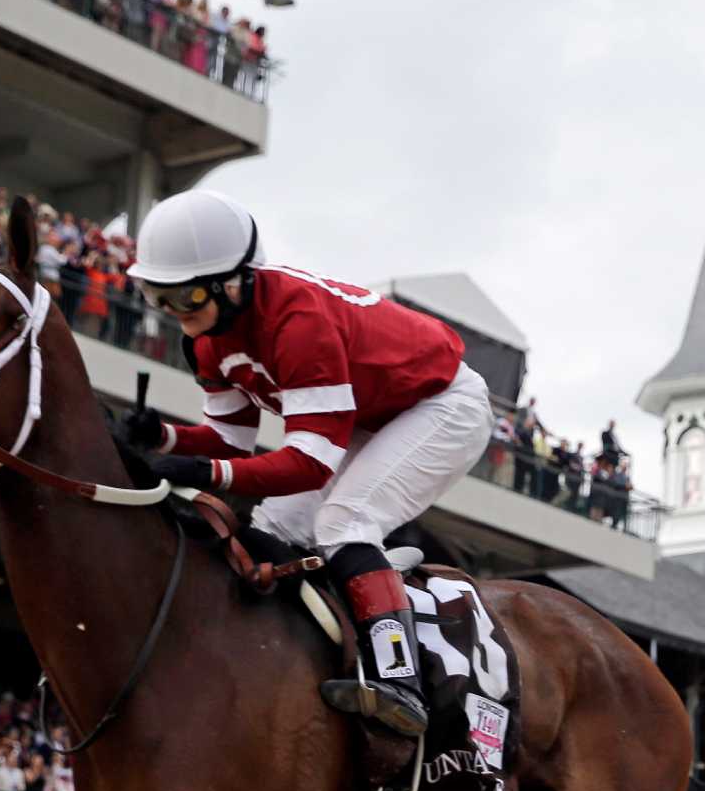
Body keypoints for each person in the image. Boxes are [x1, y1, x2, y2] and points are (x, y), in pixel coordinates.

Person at [121, 189, 493, 740]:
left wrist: (202, 473)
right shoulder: (207, 341)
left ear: (234, 281)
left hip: (440, 405)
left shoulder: (297, 323)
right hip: (371, 414)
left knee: (343, 523)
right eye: (161, 298)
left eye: (188, 297)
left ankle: (401, 681)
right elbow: (228, 439)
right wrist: (166, 438)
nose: (178, 316)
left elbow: (310, 464)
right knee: (269, 529)